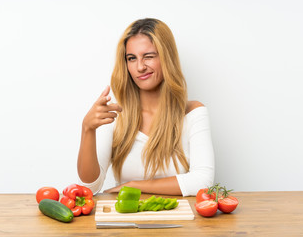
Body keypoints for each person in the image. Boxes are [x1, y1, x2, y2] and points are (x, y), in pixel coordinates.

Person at [77, 18, 214, 196]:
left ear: (167, 57)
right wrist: (87, 129)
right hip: (126, 218)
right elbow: (89, 188)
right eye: (131, 58)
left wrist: (135, 185)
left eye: (149, 56)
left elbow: (203, 182)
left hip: (181, 220)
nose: (140, 67)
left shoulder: (193, 113)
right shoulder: (114, 115)